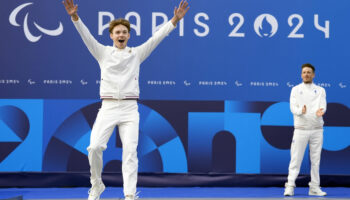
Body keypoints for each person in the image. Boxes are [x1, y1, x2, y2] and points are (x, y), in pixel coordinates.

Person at [62, 0, 189, 199]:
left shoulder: (136, 54)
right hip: (108, 107)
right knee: (94, 147)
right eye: (117, 32)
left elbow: (157, 38)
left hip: (130, 109)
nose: (121, 35)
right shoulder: (102, 52)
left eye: (124, 32)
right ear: (111, 36)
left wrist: (174, 20)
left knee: (130, 152)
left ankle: (129, 195)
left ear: (129, 36)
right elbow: (85, 36)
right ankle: (96, 186)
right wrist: (75, 17)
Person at [284, 63, 327, 196]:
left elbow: (323, 105)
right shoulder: (295, 90)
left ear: (313, 75)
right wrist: (300, 111)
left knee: (316, 160)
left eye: (309, 72)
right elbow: (292, 107)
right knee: (296, 159)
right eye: (304, 72)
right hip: (301, 129)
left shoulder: (320, 90)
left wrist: (322, 111)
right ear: (301, 74)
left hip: (317, 129)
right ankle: (290, 186)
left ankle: (314, 187)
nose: (306, 74)